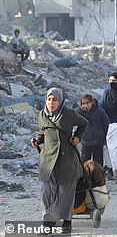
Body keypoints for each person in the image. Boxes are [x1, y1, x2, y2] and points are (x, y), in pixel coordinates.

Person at [31, 88, 88, 233]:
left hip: (66, 158)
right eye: (49, 99)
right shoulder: (42, 115)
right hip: (48, 159)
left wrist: (77, 137)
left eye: (55, 100)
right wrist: (37, 140)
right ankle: (49, 218)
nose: (51, 102)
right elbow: (41, 133)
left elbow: (84, 123)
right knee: (47, 191)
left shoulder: (68, 114)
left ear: (60, 101)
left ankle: (67, 220)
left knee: (65, 192)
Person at [77, 94, 109, 166]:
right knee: (84, 162)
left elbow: (106, 125)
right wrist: (80, 110)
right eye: (83, 103)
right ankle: (85, 176)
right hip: (86, 141)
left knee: (98, 163)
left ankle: (97, 177)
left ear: (92, 103)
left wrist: (105, 139)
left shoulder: (100, 111)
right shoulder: (80, 112)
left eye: (87, 103)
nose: (86, 105)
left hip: (98, 141)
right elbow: (73, 117)